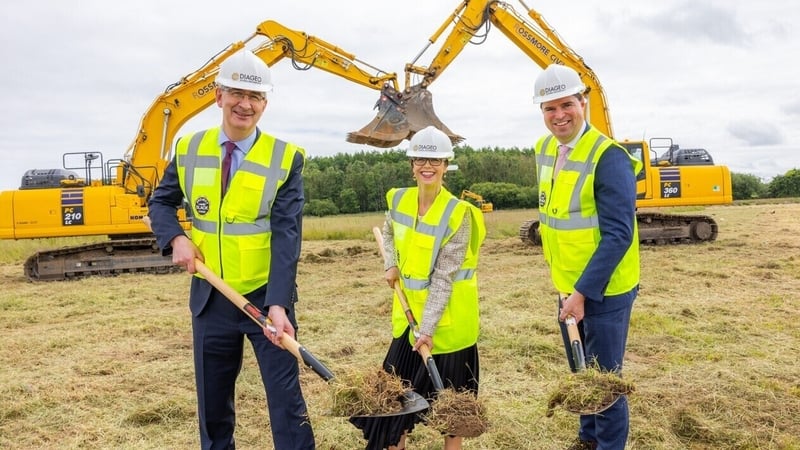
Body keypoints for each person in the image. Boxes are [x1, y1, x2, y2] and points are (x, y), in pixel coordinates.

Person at [147, 49, 315, 450]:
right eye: (237, 92)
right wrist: (177, 237)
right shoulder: (188, 148)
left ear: (265, 104)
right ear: (218, 96)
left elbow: (287, 235)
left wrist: (278, 304)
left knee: (287, 404)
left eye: (255, 96)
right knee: (213, 407)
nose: (245, 103)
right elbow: (160, 202)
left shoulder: (286, 158)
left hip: (264, 299)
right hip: (211, 299)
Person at [531, 64, 641, 450]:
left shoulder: (609, 157)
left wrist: (582, 292)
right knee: (581, 372)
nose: (559, 115)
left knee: (604, 381)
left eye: (566, 105)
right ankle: (588, 439)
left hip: (604, 290)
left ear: (583, 102)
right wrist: (566, 288)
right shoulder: (545, 148)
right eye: (549, 108)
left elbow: (618, 235)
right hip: (567, 286)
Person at [378, 126, 486, 450]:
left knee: (452, 414)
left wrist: (427, 328)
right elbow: (388, 233)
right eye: (421, 159)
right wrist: (391, 264)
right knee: (392, 405)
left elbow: (444, 278)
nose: (428, 166)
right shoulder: (398, 199)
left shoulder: (459, 214)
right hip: (408, 325)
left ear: (445, 164)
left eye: (435, 160)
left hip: (449, 329)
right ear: (412, 164)